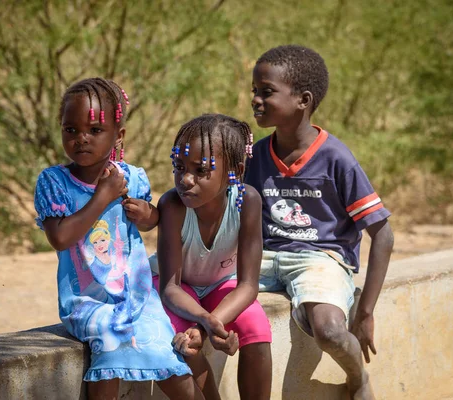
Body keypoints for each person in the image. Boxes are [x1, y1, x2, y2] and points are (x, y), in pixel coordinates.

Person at [33, 77, 203, 400]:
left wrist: (147, 214)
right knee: (109, 342)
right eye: (71, 130)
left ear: (118, 135)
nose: (81, 139)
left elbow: (152, 221)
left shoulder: (131, 177)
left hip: (136, 295)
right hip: (87, 301)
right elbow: (59, 237)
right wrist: (102, 196)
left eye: (94, 131)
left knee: (165, 349)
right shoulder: (54, 183)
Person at [245, 45, 394, 400]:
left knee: (329, 331)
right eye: (254, 91)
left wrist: (367, 311)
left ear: (303, 100)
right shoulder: (254, 157)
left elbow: (383, 235)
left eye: (266, 92)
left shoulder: (335, 159)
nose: (255, 100)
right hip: (262, 258)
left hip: (320, 259)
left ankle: (358, 378)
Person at [152, 114, 273, 400]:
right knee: (184, 342)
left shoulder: (247, 202)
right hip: (180, 290)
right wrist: (204, 322)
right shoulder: (173, 206)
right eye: (179, 167)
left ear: (235, 170)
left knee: (256, 329)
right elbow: (169, 287)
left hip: (222, 285)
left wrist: (211, 321)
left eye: (201, 170)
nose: (185, 180)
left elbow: (247, 286)